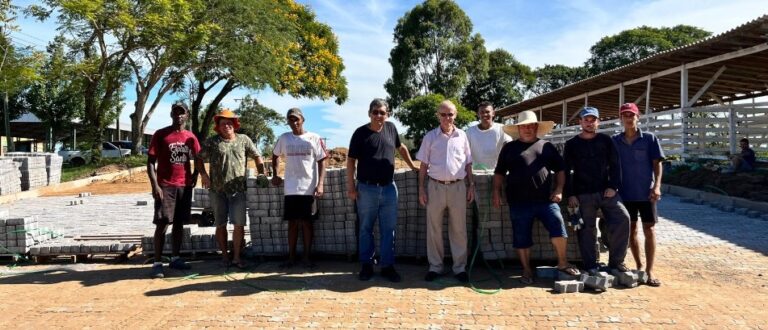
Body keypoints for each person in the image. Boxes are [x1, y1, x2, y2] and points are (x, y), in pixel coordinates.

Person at [492, 110, 579, 285]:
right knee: (521, 236)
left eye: (531, 125)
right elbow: (499, 172)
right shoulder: (509, 148)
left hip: (545, 200)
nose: (528, 128)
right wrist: (496, 192)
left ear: (536, 127)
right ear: (519, 128)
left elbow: (561, 170)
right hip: (518, 201)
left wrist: (559, 189)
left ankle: (562, 263)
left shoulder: (547, 146)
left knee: (558, 224)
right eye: (524, 126)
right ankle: (526, 270)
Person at [347, 98, 418, 282]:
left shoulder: (391, 128)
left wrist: (412, 166)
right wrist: (351, 187)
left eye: (382, 112)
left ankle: (387, 266)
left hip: (388, 188)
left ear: (388, 114)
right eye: (375, 112)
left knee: (389, 229)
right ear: (369, 113)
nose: (379, 115)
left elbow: (400, 147)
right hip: (366, 188)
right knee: (365, 228)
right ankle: (367, 265)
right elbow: (351, 161)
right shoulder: (360, 133)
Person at [563, 106, 630, 274]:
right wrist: (570, 194)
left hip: (605, 192)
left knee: (623, 218)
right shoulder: (571, 144)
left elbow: (616, 165)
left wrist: (613, 186)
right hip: (583, 194)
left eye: (593, 120)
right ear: (580, 122)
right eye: (586, 120)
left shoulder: (606, 141)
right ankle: (591, 266)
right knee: (586, 231)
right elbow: (567, 171)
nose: (589, 123)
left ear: (598, 123)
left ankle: (616, 263)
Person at [197, 108, 264, 270]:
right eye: (223, 123)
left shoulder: (244, 140)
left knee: (239, 225)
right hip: (217, 190)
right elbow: (198, 158)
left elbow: (257, 156)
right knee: (220, 224)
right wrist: (204, 175)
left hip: (238, 191)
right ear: (218, 127)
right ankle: (225, 257)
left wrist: (261, 173)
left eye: (229, 123)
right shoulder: (212, 142)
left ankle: (236, 257)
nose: (226, 126)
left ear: (234, 125)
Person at [417, 100, 474, 283]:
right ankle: (435, 267)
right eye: (443, 114)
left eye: (450, 114)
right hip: (435, 186)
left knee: (459, 229)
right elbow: (423, 165)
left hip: (458, 186)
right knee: (434, 228)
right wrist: (421, 189)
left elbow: (468, 163)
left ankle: (459, 268)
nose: (447, 118)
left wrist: (471, 184)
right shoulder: (430, 137)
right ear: (438, 116)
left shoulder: (462, 136)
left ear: (455, 115)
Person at [612, 102, 664, 287]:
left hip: (646, 193)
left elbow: (657, 164)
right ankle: (639, 266)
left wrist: (657, 186)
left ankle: (650, 271)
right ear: (621, 119)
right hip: (625, 194)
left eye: (631, 115)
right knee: (631, 230)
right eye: (625, 115)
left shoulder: (649, 139)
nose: (628, 118)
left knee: (649, 230)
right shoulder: (615, 141)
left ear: (637, 117)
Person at [147, 103, 201, 278]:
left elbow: (198, 157)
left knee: (179, 223)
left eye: (182, 113)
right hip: (166, 185)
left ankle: (175, 258)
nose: (178, 115)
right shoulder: (161, 134)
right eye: (175, 112)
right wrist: (155, 185)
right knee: (163, 222)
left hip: (184, 186)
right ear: (171, 114)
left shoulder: (190, 137)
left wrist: (195, 174)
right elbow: (150, 162)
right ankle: (157, 263)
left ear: (187, 116)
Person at [271, 108, 327, 269]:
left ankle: (307, 258)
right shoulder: (284, 138)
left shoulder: (313, 138)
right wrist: (275, 174)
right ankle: (291, 258)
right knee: (292, 224)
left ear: (303, 120)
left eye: (296, 119)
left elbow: (322, 160)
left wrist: (320, 183)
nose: (294, 123)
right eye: (290, 120)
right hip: (290, 188)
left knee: (307, 223)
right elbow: (275, 155)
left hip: (308, 187)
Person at [466, 101, 512, 171]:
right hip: (475, 173)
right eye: (482, 112)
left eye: (487, 112)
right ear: (478, 114)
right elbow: (465, 152)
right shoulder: (470, 131)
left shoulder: (501, 128)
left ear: (493, 113)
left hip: (497, 172)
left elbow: (509, 145)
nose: (484, 114)